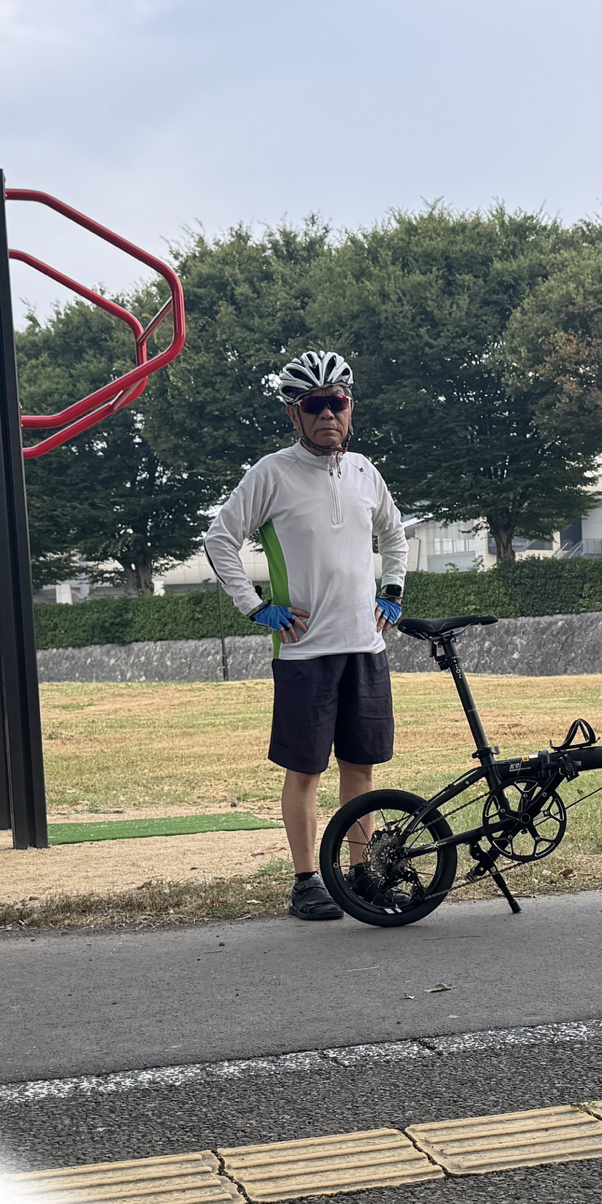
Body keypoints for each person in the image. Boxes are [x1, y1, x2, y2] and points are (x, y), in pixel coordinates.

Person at [202, 351, 409, 921]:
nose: (327, 415)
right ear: (294, 413)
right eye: (314, 405)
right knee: (306, 772)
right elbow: (220, 539)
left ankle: (363, 875)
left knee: (361, 769)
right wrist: (255, 607)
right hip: (303, 652)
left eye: (336, 402)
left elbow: (395, 534)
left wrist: (392, 591)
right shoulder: (271, 473)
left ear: (350, 406)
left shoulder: (365, 471)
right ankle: (305, 882)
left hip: (364, 646)